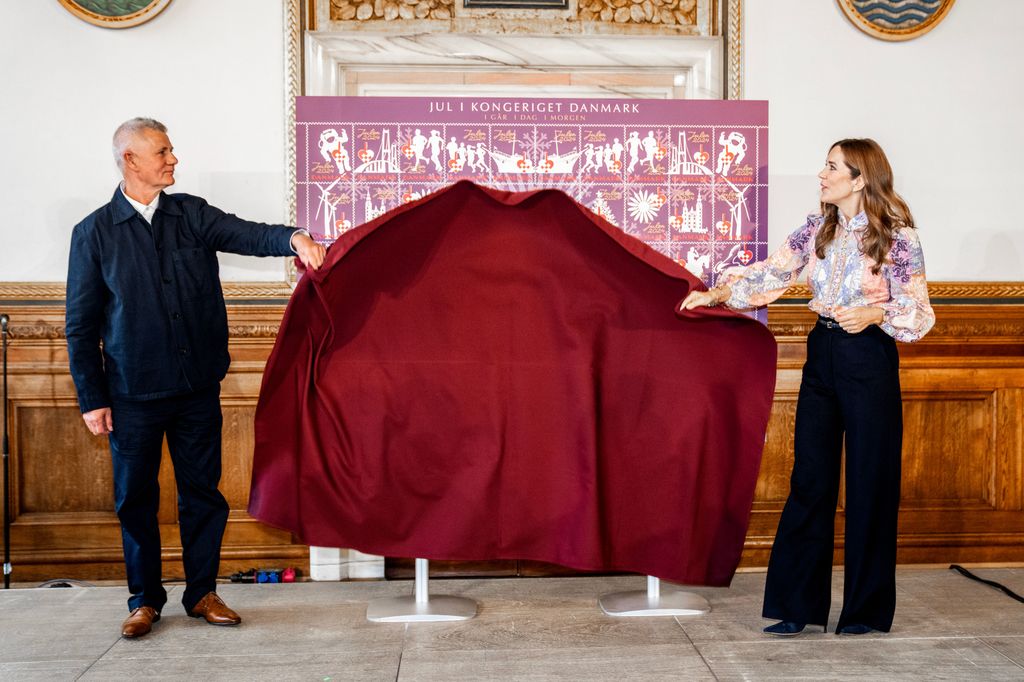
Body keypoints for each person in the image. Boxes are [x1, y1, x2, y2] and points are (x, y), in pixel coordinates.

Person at [65, 117, 326, 639]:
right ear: (130, 161)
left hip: (196, 389)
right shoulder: (93, 233)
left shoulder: (191, 214)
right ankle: (144, 601)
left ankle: (202, 592)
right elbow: (80, 323)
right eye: (162, 152)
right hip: (131, 394)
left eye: (171, 150)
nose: (173, 160)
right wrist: (93, 399)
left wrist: (294, 237)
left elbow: (247, 233)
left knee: (202, 495)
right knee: (134, 500)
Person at [681, 138, 934, 636]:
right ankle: (797, 607)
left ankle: (864, 613)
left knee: (870, 485)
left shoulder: (898, 238)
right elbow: (772, 273)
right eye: (825, 163)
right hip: (823, 355)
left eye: (832, 166)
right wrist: (717, 292)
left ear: (860, 178)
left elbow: (920, 311)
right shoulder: (816, 228)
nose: (822, 173)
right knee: (810, 480)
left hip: (870, 359)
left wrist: (875, 312)